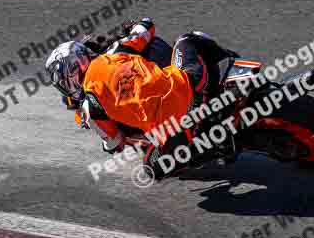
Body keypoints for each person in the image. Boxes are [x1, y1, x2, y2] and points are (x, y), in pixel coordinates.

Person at [45, 18, 234, 180]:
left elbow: (114, 142)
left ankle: (206, 147)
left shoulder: (89, 105)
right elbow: (147, 26)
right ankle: (229, 63)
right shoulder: (117, 50)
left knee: (151, 170)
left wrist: (108, 143)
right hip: (188, 87)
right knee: (188, 38)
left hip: (172, 131)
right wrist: (134, 25)